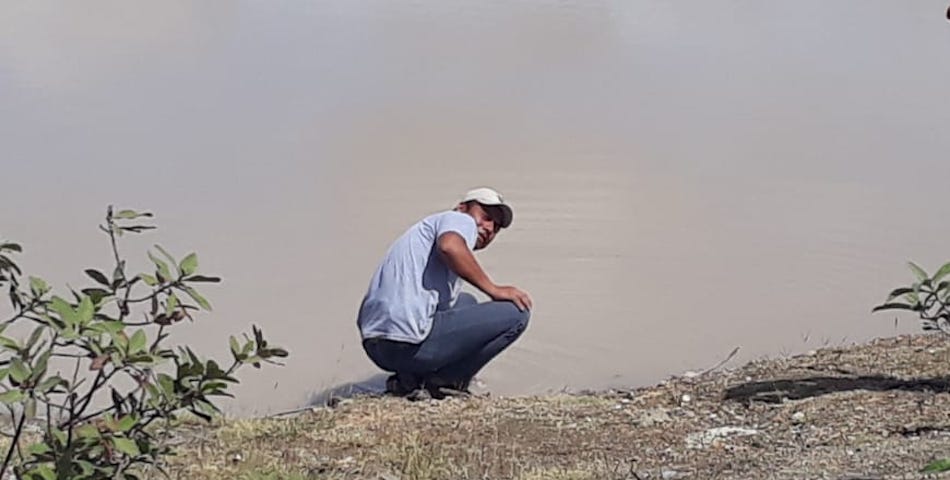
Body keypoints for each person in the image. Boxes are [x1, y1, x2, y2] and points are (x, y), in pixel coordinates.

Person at [356, 187, 533, 399]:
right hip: (406, 346)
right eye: (485, 217)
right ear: (462, 208)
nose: (489, 228)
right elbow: (450, 246)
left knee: (465, 301)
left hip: (378, 347)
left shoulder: (425, 232)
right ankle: (447, 381)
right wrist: (493, 289)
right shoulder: (459, 220)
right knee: (516, 312)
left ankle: (409, 378)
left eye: (496, 227)